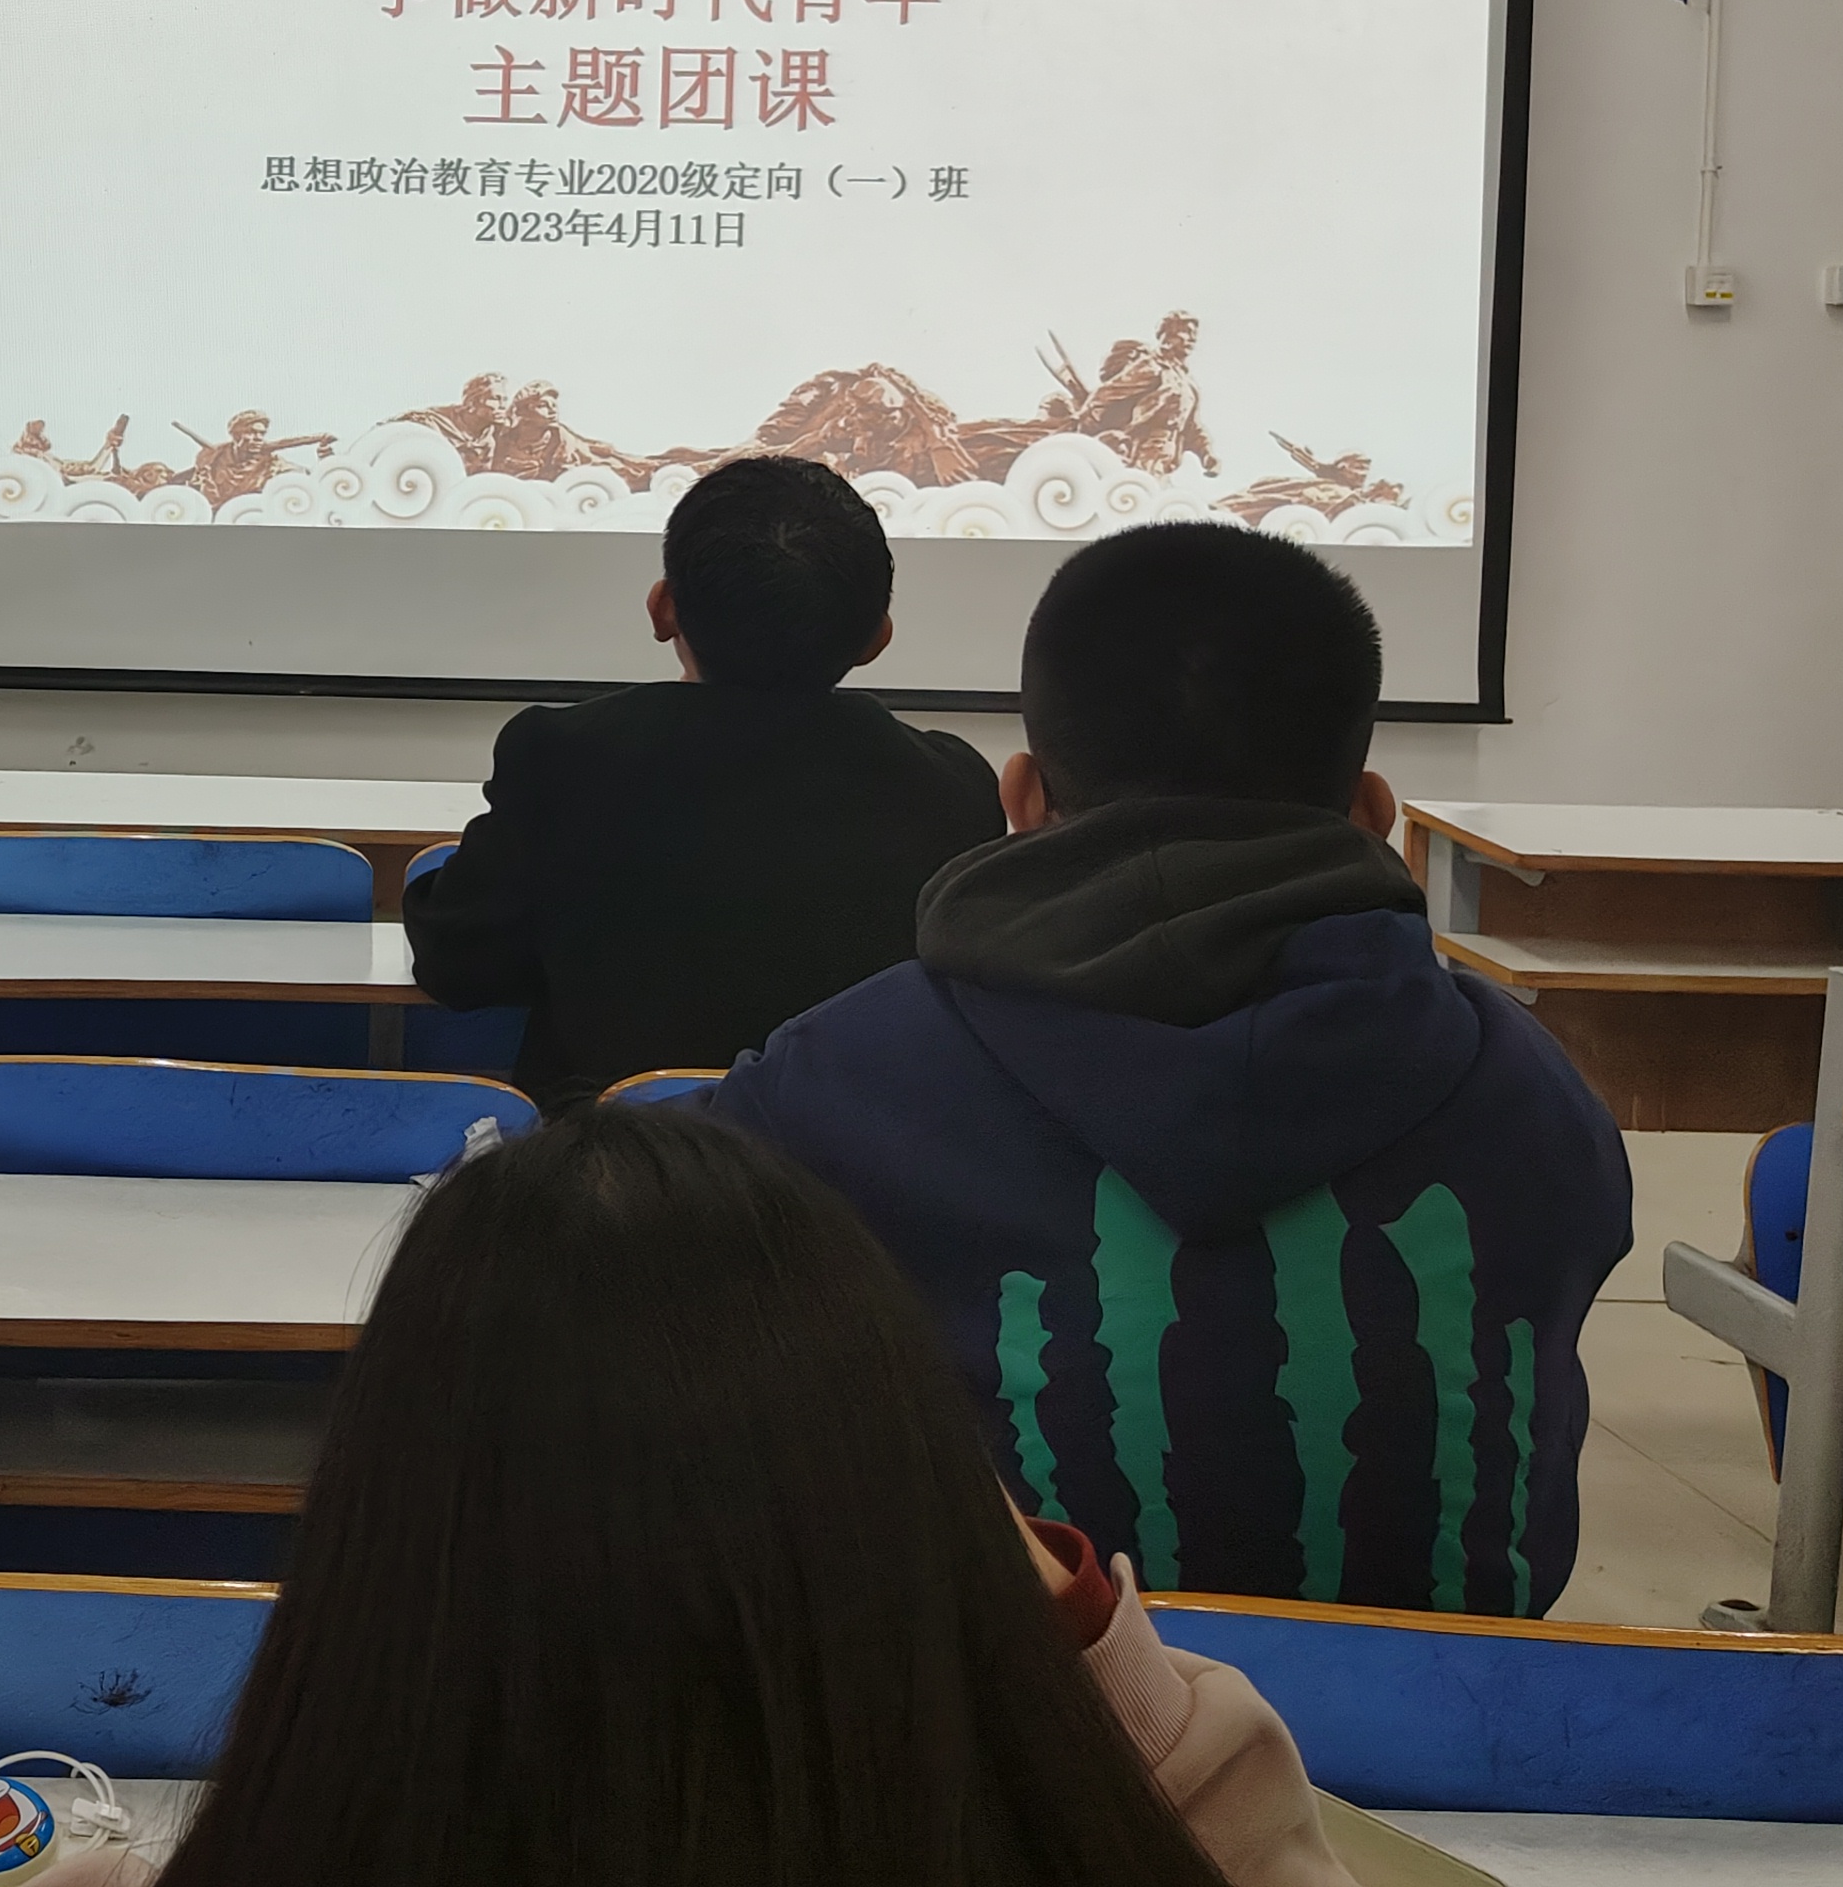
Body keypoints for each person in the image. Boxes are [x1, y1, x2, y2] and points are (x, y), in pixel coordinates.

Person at [702, 521, 1629, 1614]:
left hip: (1002, 1710)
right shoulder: (1530, 1093)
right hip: (1461, 1713)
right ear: (1373, 814)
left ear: (1021, 798)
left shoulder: (823, 1085)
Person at [136, 1106, 1352, 1887]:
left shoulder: (338, 1802)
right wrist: (1061, 1616)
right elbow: (1185, 1800)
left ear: (380, 1515)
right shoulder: (1094, 1813)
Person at [404, 452, 1003, 1105]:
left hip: (611, 1159)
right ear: (876, 639)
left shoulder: (562, 756)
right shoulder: (955, 787)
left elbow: (457, 966)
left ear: (662, 609)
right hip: (859, 1159)